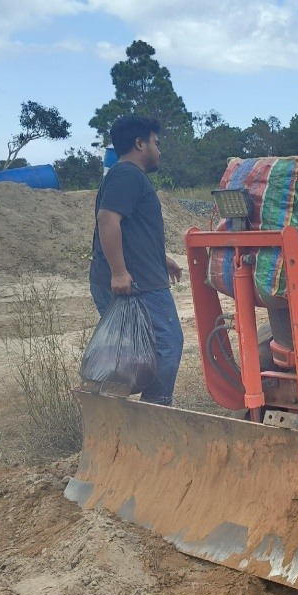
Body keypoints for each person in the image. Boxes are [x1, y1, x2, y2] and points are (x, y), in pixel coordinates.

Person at [90, 115, 184, 405]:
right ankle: (154, 410)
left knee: (134, 350)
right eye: (156, 143)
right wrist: (119, 272)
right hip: (139, 286)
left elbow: (132, 228)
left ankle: (126, 412)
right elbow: (108, 220)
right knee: (167, 344)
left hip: (142, 278)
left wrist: (161, 257)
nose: (159, 150)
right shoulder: (127, 174)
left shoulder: (127, 176)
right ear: (139, 143)